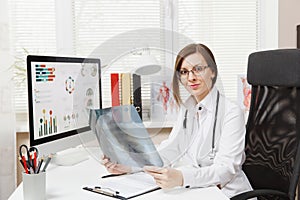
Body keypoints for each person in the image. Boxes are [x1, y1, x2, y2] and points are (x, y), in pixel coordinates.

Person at [102, 43, 253, 198]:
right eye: (184, 72)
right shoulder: (188, 108)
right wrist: (131, 166)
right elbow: (171, 150)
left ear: (212, 71)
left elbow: (225, 170)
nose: (191, 77)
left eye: (198, 69)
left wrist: (181, 178)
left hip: (227, 193)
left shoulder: (231, 112)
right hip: (198, 189)